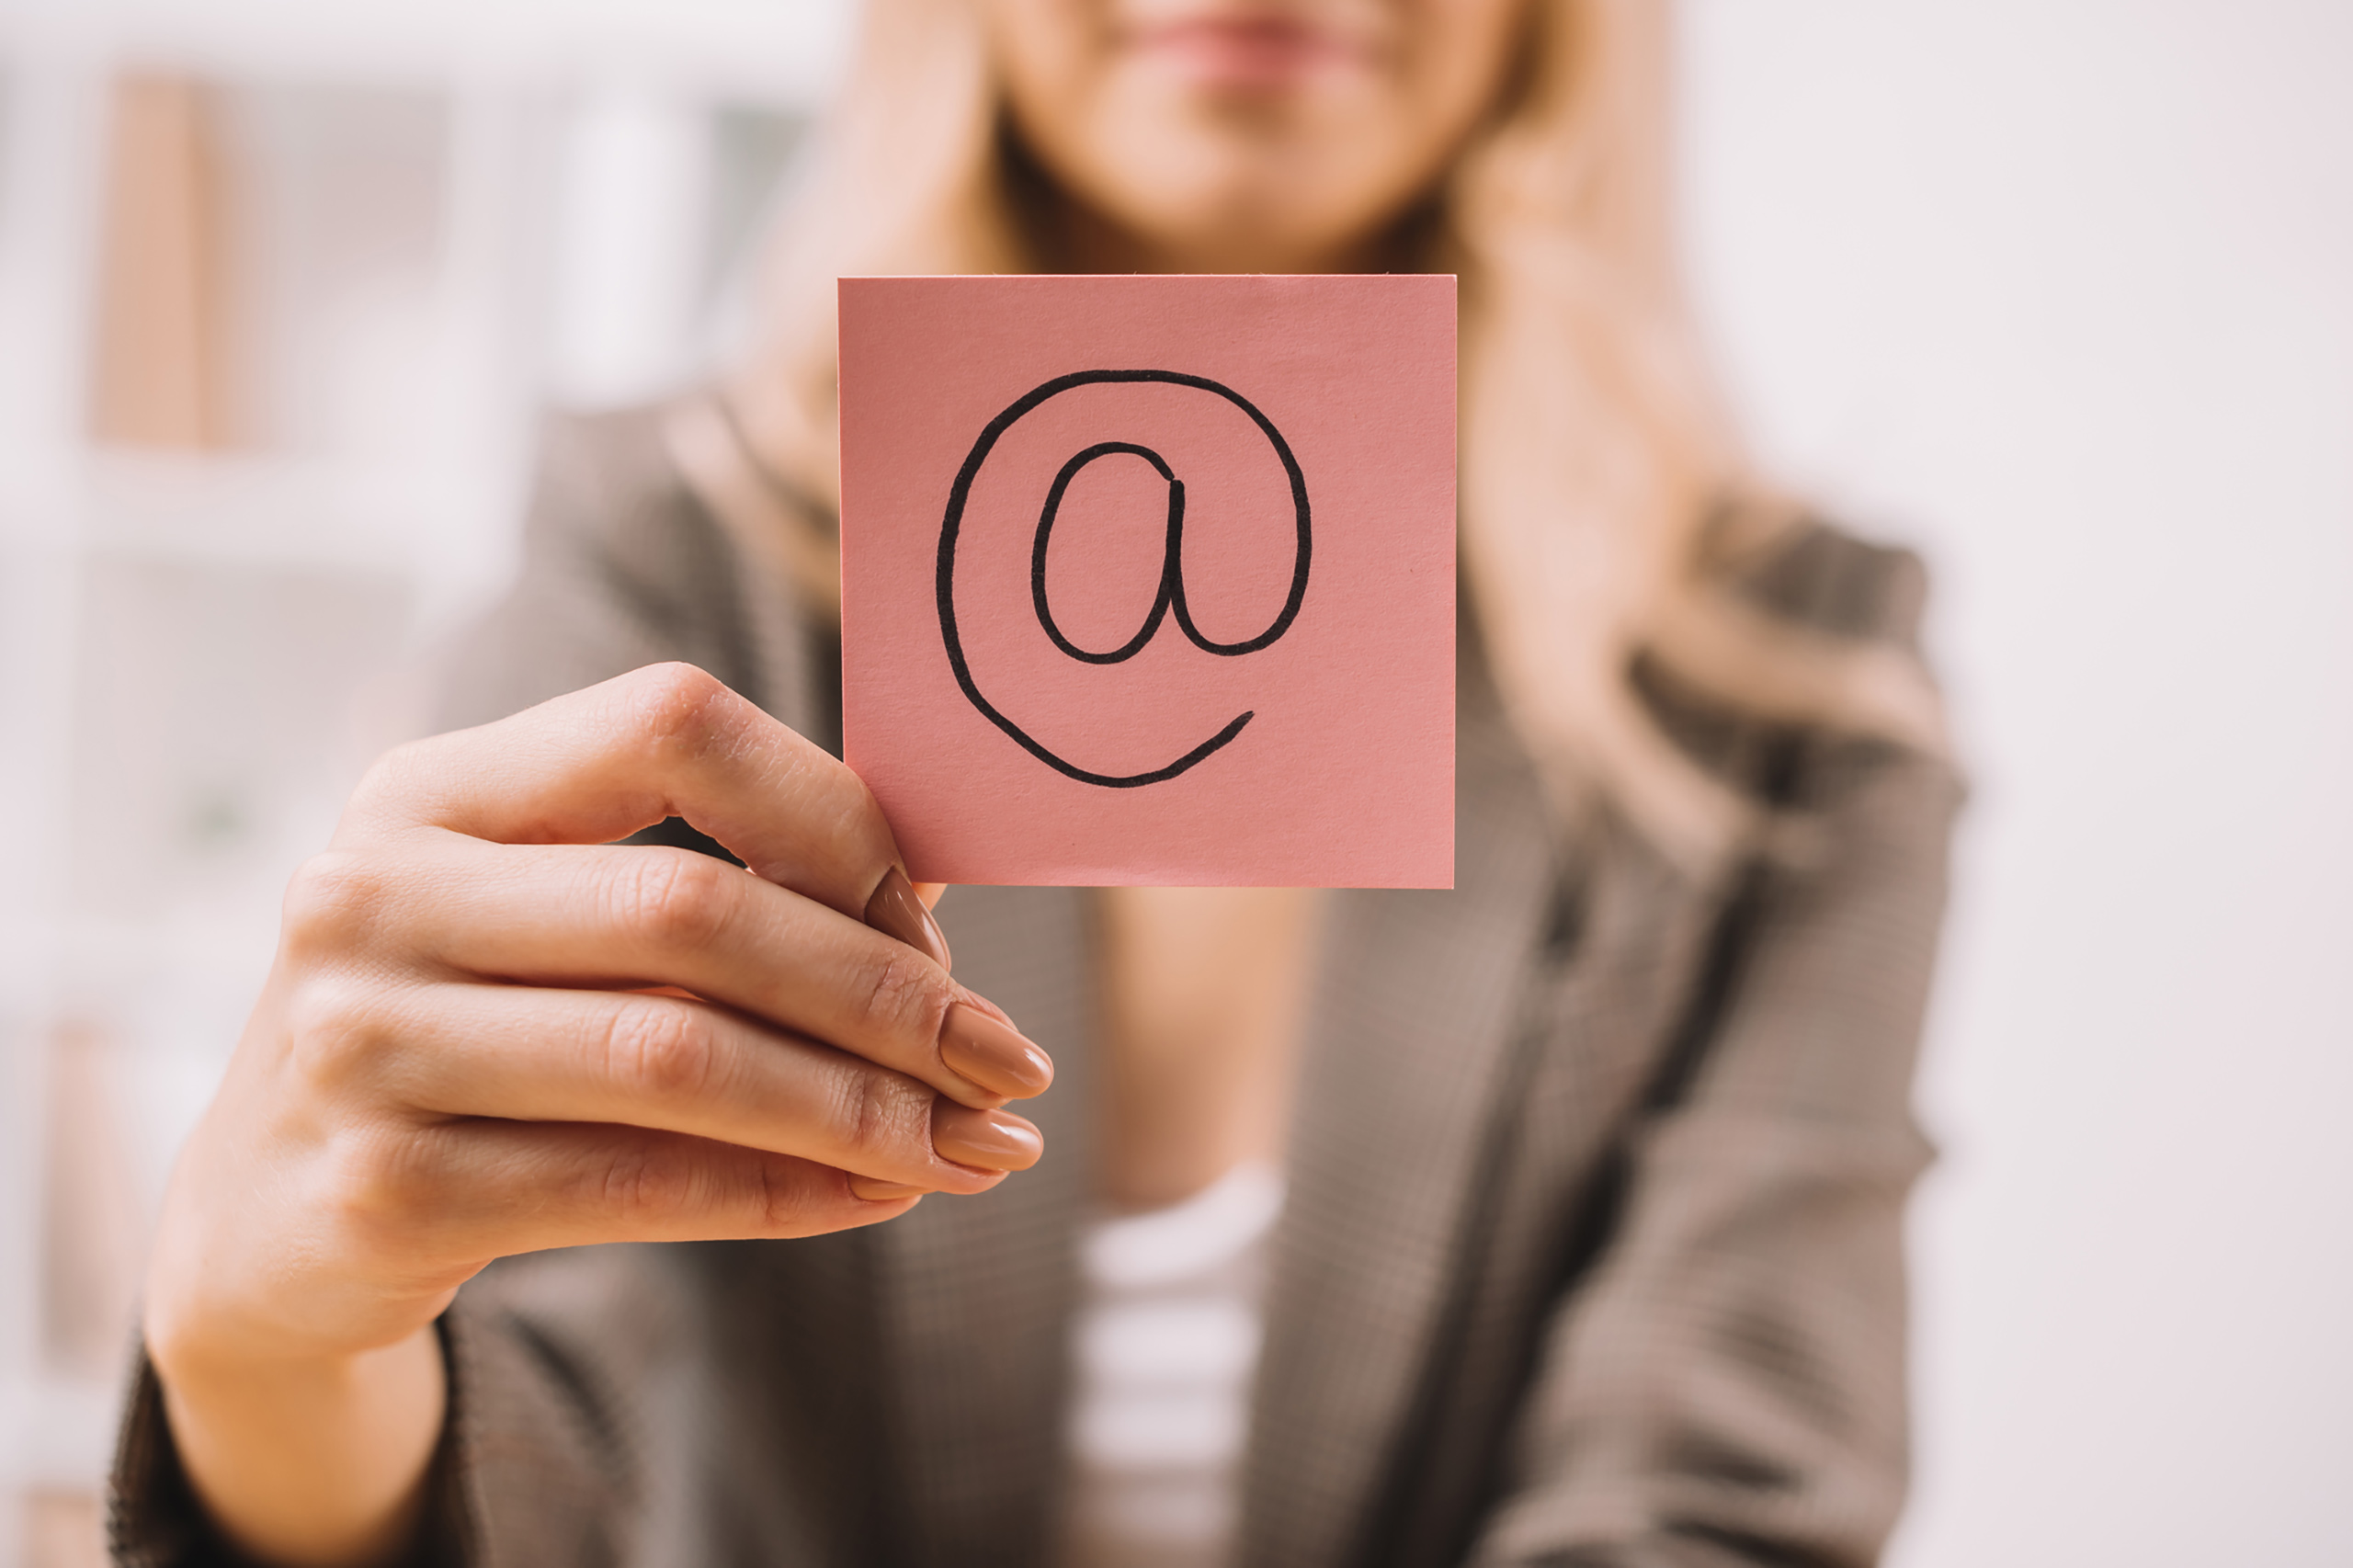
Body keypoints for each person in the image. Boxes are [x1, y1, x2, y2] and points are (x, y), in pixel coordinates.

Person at [112, 1, 1961, 1564]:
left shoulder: (1792, 675)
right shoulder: (666, 575)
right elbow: (540, 1439)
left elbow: (1709, 1488)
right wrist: (264, 1347)